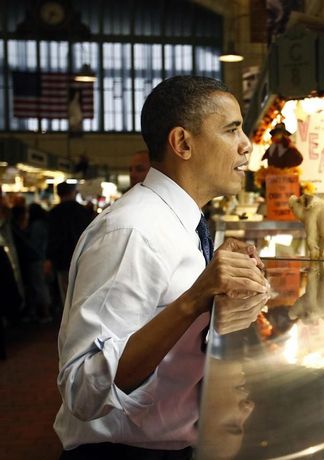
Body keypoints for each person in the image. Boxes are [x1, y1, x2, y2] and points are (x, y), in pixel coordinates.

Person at [54, 76, 269, 459]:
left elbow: (158, 325)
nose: (246, 145)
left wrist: (219, 309)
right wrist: (195, 299)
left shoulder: (182, 223)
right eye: (231, 130)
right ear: (183, 143)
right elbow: (82, 389)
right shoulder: (132, 230)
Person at [46, 181, 93, 307]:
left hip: (62, 259)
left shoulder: (53, 213)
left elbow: (52, 238)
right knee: (83, 291)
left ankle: (68, 321)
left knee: (67, 293)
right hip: (84, 256)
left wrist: (50, 258)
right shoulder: (82, 211)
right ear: (73, 192)